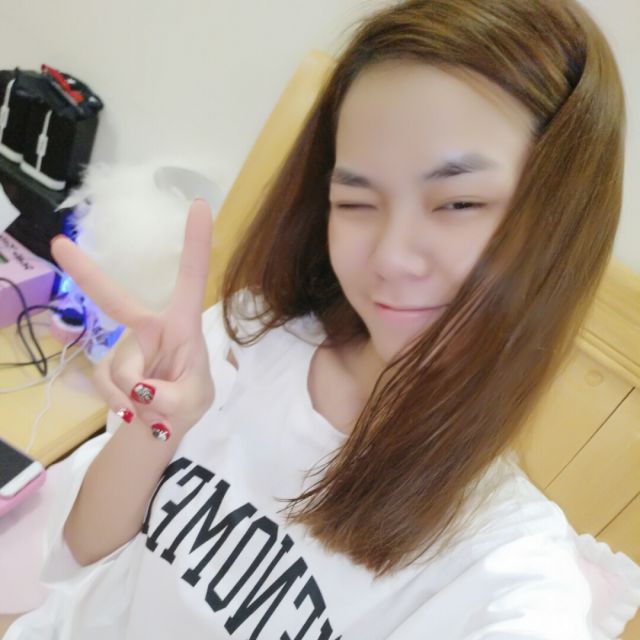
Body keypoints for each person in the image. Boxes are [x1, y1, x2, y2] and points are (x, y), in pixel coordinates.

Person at [4, 0, 640, 638]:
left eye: (459, 203)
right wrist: (153, 427)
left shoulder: (507, 569)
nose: (390, 258)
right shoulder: (251, 335)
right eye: (356, 200)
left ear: (557, 228)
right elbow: (84, 555)